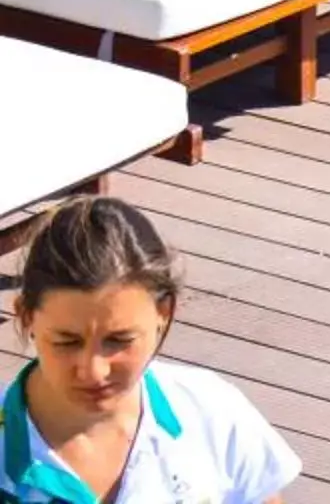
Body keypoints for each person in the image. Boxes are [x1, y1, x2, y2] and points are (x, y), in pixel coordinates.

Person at [7, 195, 299, 503]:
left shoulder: (212, 413)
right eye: (67, 342)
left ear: (164, 313)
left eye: (119, 340)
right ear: (26, 316)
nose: (94, 370)